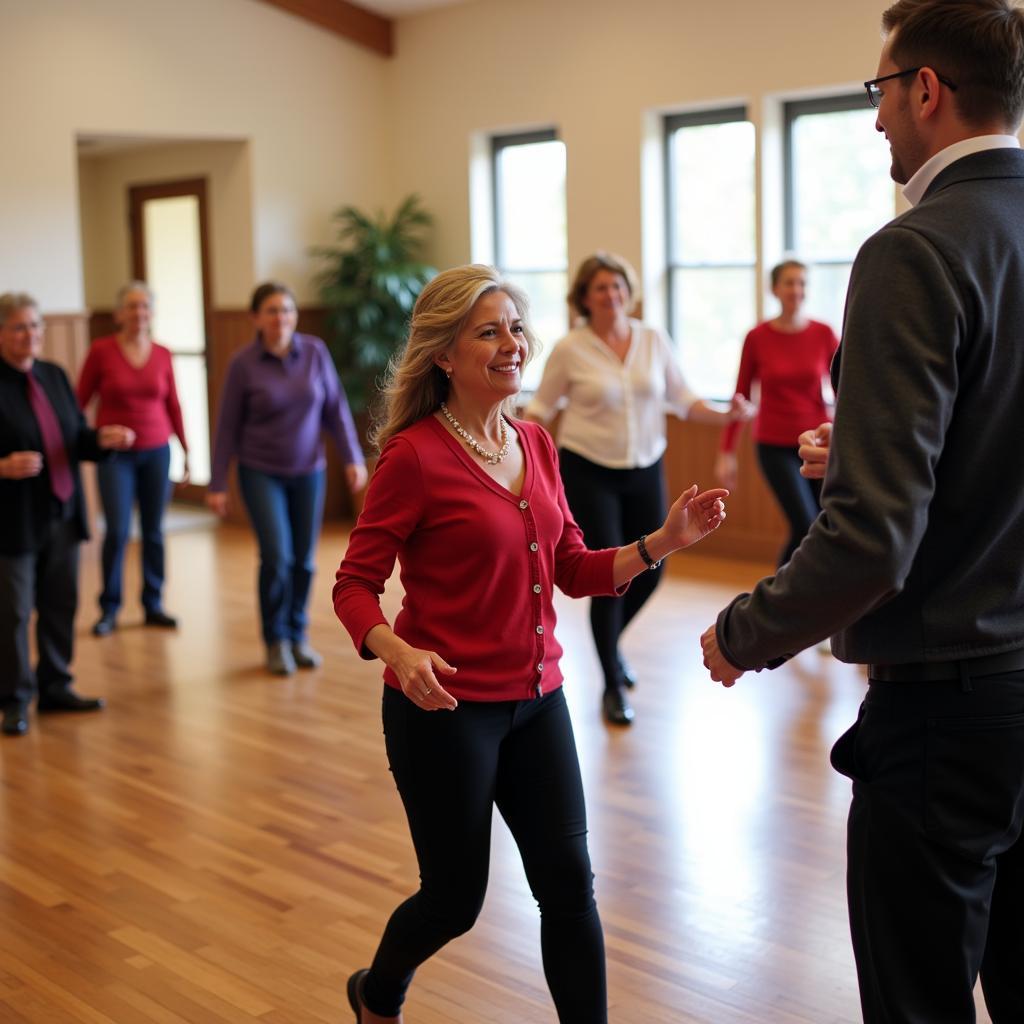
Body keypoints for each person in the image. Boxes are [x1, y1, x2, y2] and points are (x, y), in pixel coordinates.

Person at [700, 2, 1024, 1020]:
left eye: (878, 93)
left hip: (947, 708)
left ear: (924, 88)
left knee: (915, 999)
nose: (874, 120)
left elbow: (874, 542)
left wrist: (743, 632)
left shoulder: (913, 249)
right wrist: (883, 439)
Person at [333, 264, 727, 1024]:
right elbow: (353, 585)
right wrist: (397, 651)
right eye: (489, 331)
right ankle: (376, 992)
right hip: (445, 710)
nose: (512, 343)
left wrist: (664, 541)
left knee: (569, 885)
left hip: (540, 701)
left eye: (515, 326)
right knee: (454, 899)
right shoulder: (413, 457)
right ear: (445, 355)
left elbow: (574, 568)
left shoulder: (538, 443)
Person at [526, 251, 751, 725]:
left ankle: (610, 648)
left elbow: (683, 400)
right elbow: (541, 410)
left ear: (629, 292)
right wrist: (521, 457)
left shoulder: (653, 339)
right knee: (611, 575)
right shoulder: (571, 348)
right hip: (589, 470)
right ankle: (611, 683)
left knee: (654, 570)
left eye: (618, 286)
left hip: (646, 466)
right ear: (584, 298)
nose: (612, 295)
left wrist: (727, 414)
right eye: (601, 288)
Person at [207, 281, 367, 676]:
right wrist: (216, 483)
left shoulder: (314, 352)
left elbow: (336, 409)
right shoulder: (243, 364)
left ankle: (297, 635)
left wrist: (351, 457)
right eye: (273, 311)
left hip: (309, 470)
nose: (282, 318)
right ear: (256, 318)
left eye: (288, 310)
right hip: (260, 471)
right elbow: (226, 426)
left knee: (304, 562)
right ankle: (275, 640)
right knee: (277, 557)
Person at [0, 293, 135, 737]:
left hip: (62, 511)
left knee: (61, 605)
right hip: (13, 520)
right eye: (21, 327)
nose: (32, 335)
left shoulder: (53, 376)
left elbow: (74, 437)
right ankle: (15, 700)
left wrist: (102, 440)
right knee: (14, 613)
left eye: (36, 326)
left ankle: (55, 686)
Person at [76, 281, 189, 636]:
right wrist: (87, 440)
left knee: (154, 531)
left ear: (152, 313)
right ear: (119, 313)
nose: (139, 313)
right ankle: (109, 607)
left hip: (157, 451)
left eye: (145, 306)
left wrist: (186, 450)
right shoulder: (101, 351)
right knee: (118, 530)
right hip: (116, 457)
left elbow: (174, 404)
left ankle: (153, 604)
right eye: (132, 306)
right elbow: (76, 403)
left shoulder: (162, 353)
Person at [715, 260, 839, 567]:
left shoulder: (824, 333)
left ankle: (808, 599)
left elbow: (844, 390)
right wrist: (726, 452)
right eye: (789, 282)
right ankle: (777, 600)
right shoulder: (757, 337)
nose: (796, 290)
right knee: (805, 524)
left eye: (802, 283)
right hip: (773, 445)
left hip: (818, 443)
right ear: (774, 289)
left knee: (825, 524)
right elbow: (740, 396)